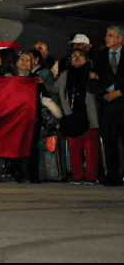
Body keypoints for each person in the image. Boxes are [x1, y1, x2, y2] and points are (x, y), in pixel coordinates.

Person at [51, 48, 99, 184]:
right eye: (73, 56)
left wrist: (95, 78)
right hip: (71, 117)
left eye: (80, 56)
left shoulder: (92, 74)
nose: (76, 58)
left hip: (90, 118)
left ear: (86, 59)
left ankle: (91, 177)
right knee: (74, 150)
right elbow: (53, 89)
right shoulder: (65, 75)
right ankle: (78, 177)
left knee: (91, 151)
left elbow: (100, 90)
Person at [88, 25, 124, 187]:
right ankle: (113, 176)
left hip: (123, 101)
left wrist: (119, 92)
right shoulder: (99, 56)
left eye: (110, 35)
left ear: (120, 39)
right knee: (109, 142)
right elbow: (92, 80)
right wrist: (102, 92)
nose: (106, 38)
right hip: (107, 105)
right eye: (106, 35)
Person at [12, 52, 42, 184]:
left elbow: (46, 95)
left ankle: (33, 173)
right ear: (16, 63)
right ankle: (18, 173)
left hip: (32, 117)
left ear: (32, 64)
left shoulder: (36, 78)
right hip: (15, 119)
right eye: (22, 59)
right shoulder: (9, 78)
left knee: (33, 146)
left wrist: (41, 84)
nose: (24, 62)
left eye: (28, 60)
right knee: (17, 146)